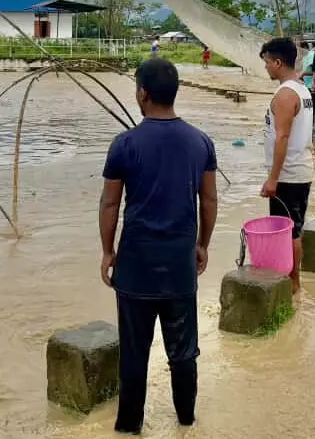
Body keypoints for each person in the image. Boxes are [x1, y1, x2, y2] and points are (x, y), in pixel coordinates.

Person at [100, 58, 218, 433]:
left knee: (134, 352)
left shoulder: (124, 144)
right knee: (183, 351)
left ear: (142, 93)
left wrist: (107, 252)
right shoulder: (201, 142)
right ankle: (186, 420)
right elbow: (209, 201)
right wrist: (202, 244)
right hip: (180, 264)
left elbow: (109, 204)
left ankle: (129, 425)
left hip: (135, 265)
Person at [259, 38, 313, 294]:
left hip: (288, 175)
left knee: (289, 231)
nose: (266, 67)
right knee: (295, 226)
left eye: (267, 62)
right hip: (301, 169)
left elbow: (281, 137)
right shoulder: (302, 89)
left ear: (278, 62)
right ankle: (293, 280)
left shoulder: (285, 95)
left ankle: (292, 282)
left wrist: (272, 179)